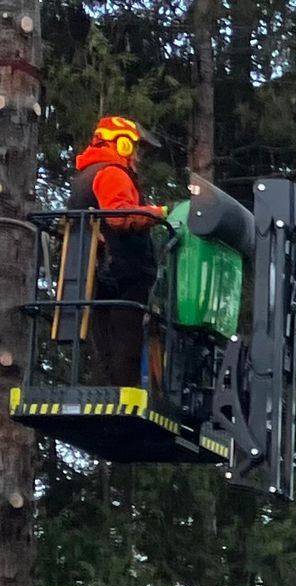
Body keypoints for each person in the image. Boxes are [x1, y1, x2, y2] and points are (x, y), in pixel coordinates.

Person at [68, 115, 167, 385]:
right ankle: (123, 397)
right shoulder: (112, 173)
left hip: (95, 273)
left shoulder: (84, 177)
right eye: (136, 148)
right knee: (126, 348)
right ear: (121, 144)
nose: (138, 156)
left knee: (106, 351)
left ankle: (107, 396)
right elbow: (119, 217)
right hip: (122, 273)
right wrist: (158, 213)